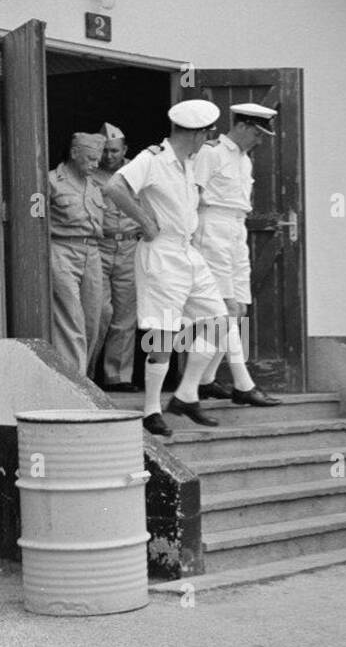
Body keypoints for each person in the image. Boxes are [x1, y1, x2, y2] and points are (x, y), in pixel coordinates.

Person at [102, 99, 231, 438]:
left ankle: (186, 395)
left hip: (187, 252)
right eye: (207, 133)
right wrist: (144, 220)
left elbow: (218, 154)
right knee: (163, 335)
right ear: (197, 133)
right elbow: (114, 186)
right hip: (161, 254)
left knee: (220, 322)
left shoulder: (187, 161)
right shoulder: (152, 159)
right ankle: (151, 410)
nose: (208, 140)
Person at [190, 103, 281, 406]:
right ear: (241, 127)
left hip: (236, 228)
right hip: (212, 227)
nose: (259, 140)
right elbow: (191, 195)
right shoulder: (211, 152)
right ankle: (244, 384)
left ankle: (205, 380)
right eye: (256, 133)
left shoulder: (244, 161)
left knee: (238, 307)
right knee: (224, 308)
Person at [48, 132, 106, 375]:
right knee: (71, 319)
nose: (95, 164)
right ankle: (75, 382)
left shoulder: (95, 185)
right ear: (74, 154)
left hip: (92, 252)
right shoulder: (50, 181)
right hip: (62, 249)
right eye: (90, 159)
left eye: (97, 159)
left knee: (95, 319)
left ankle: (84, 376)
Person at [91, 122, 141, 391]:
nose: (109, 156)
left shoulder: (139, 170)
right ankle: (86, 373)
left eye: (115, 151)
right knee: (99, 312)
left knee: (125, 316)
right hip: (99, 246)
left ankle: (117, 377)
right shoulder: (88, 173)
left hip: (131, 247)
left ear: (125, 149)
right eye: (105, 151)